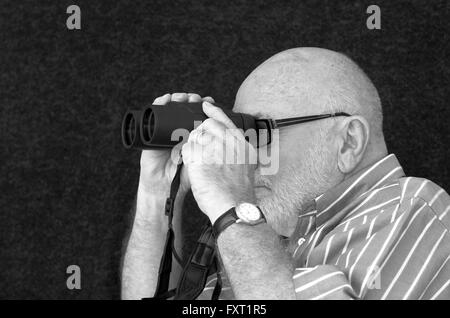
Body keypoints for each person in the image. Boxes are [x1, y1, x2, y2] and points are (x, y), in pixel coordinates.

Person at [121, 47, 450, 300]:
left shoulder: (415, 209)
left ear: (349, 142)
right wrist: (158, 193)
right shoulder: (266, 247)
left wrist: (233, 207)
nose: (246, 156)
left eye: (260, 131)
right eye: (239, 134)